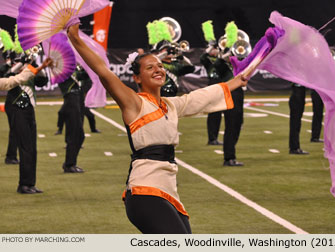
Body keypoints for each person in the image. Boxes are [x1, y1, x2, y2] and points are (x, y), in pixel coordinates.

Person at [67, 23, 247, 233]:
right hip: (145, 192)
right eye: (150, 67)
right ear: (136, 78)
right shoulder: (134, 103)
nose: (158, 69)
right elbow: (103, 72)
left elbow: (201, 98)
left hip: (168, 192)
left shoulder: (170, 105)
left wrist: (236, 82)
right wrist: (75, 38)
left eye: (160, 66)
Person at [1, 57, 53, 194]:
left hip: (28, 108)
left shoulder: (31, 68)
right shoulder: (12, 69)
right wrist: (21, 63)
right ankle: (23, 184)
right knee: (25, 146)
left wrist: (37, 65)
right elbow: (8, 79)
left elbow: (43, 81)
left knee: (31, 147)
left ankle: (30, 183)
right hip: (16, 108)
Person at [200, 45, 245, 166]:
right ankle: (229, 157)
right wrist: (226, 55)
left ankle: (230, 155)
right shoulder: (221, 65)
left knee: (238, 124)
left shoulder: (237, 64)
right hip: (229, 95)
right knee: (231, 125)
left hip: (239, 94)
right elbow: (217, 64)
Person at [58, 67, 85, 173]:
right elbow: (77, 76)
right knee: (74, 134)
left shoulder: (74, 68)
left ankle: (70, 163)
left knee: (79, 135)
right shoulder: (62, 68)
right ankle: (69, 164)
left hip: (78, 97)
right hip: (70, 98)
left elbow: (83, 76)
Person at [288, 84, 324, 154]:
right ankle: (294, 148)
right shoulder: (297, 81)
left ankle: (294, 147)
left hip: (298, 96)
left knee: (296, 123)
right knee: (295, 123)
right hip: (297, 97)